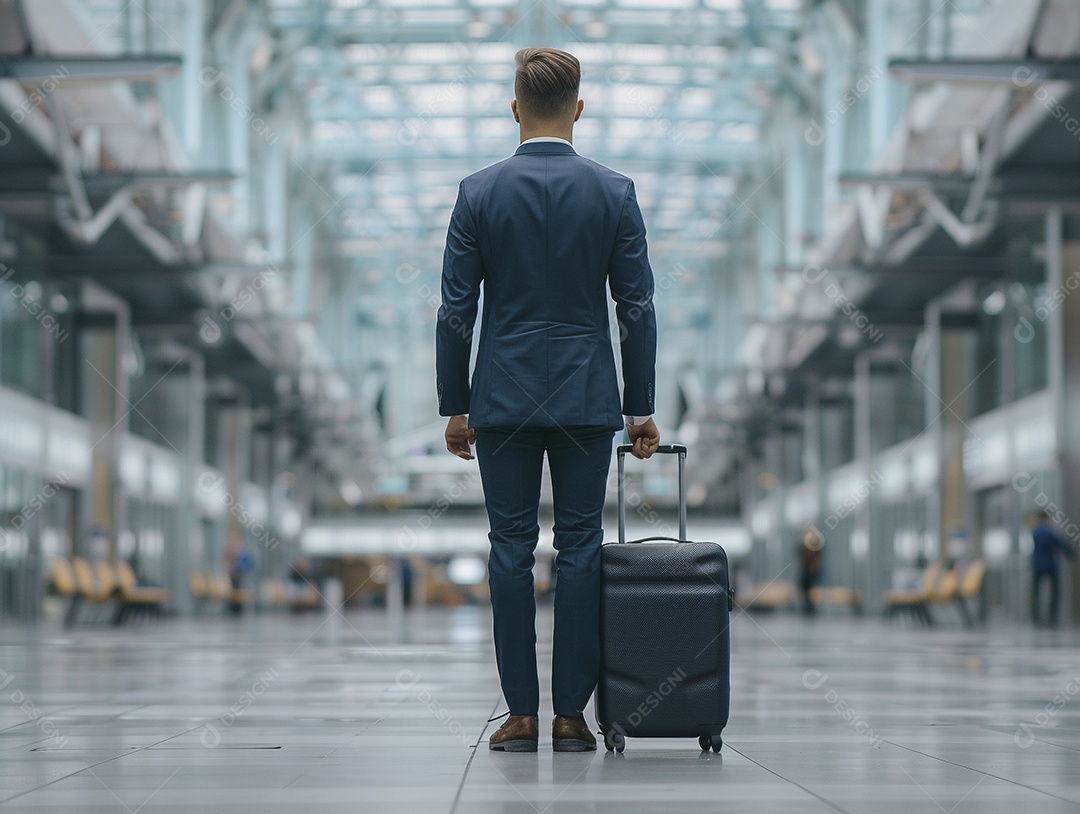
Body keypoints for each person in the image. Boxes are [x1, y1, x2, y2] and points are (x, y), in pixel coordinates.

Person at [436, 47, 659, 753]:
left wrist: (456, 402)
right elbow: (637, 307)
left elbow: (454, 311)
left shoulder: (478, 192)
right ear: (579, 109)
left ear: (514, 109)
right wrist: (640, 405)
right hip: (588, 398)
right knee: (582, 548)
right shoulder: (613, 193)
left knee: (508, 548)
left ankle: (520, 716)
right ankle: (571, 717)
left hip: (501, 397)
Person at [1030, 510, 1075, 627]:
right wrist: (1071, 553)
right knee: (1055, 592)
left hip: (1037, 565)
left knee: (1036, 592)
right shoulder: (1047, 531)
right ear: (1045, 518)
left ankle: (1036, 616)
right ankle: (1052, 616)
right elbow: (1059, 543)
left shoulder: (1035, 531)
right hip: (1050, 565)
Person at [223, 534, 253, 616]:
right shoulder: (234, 553)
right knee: (233, 591)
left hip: (240, 574)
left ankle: (237, 609)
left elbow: (246, 565)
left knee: (238, 591)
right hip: (234, 574)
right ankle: (234, 609)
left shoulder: (243, 554)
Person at [797, 526, 823, 617]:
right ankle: (808, 608)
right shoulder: (804, 547)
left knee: (811, 592)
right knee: (804, 590)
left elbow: (817, 560)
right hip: (806, 573)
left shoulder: (816, 547)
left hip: (813, 573)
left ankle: (811, 609)